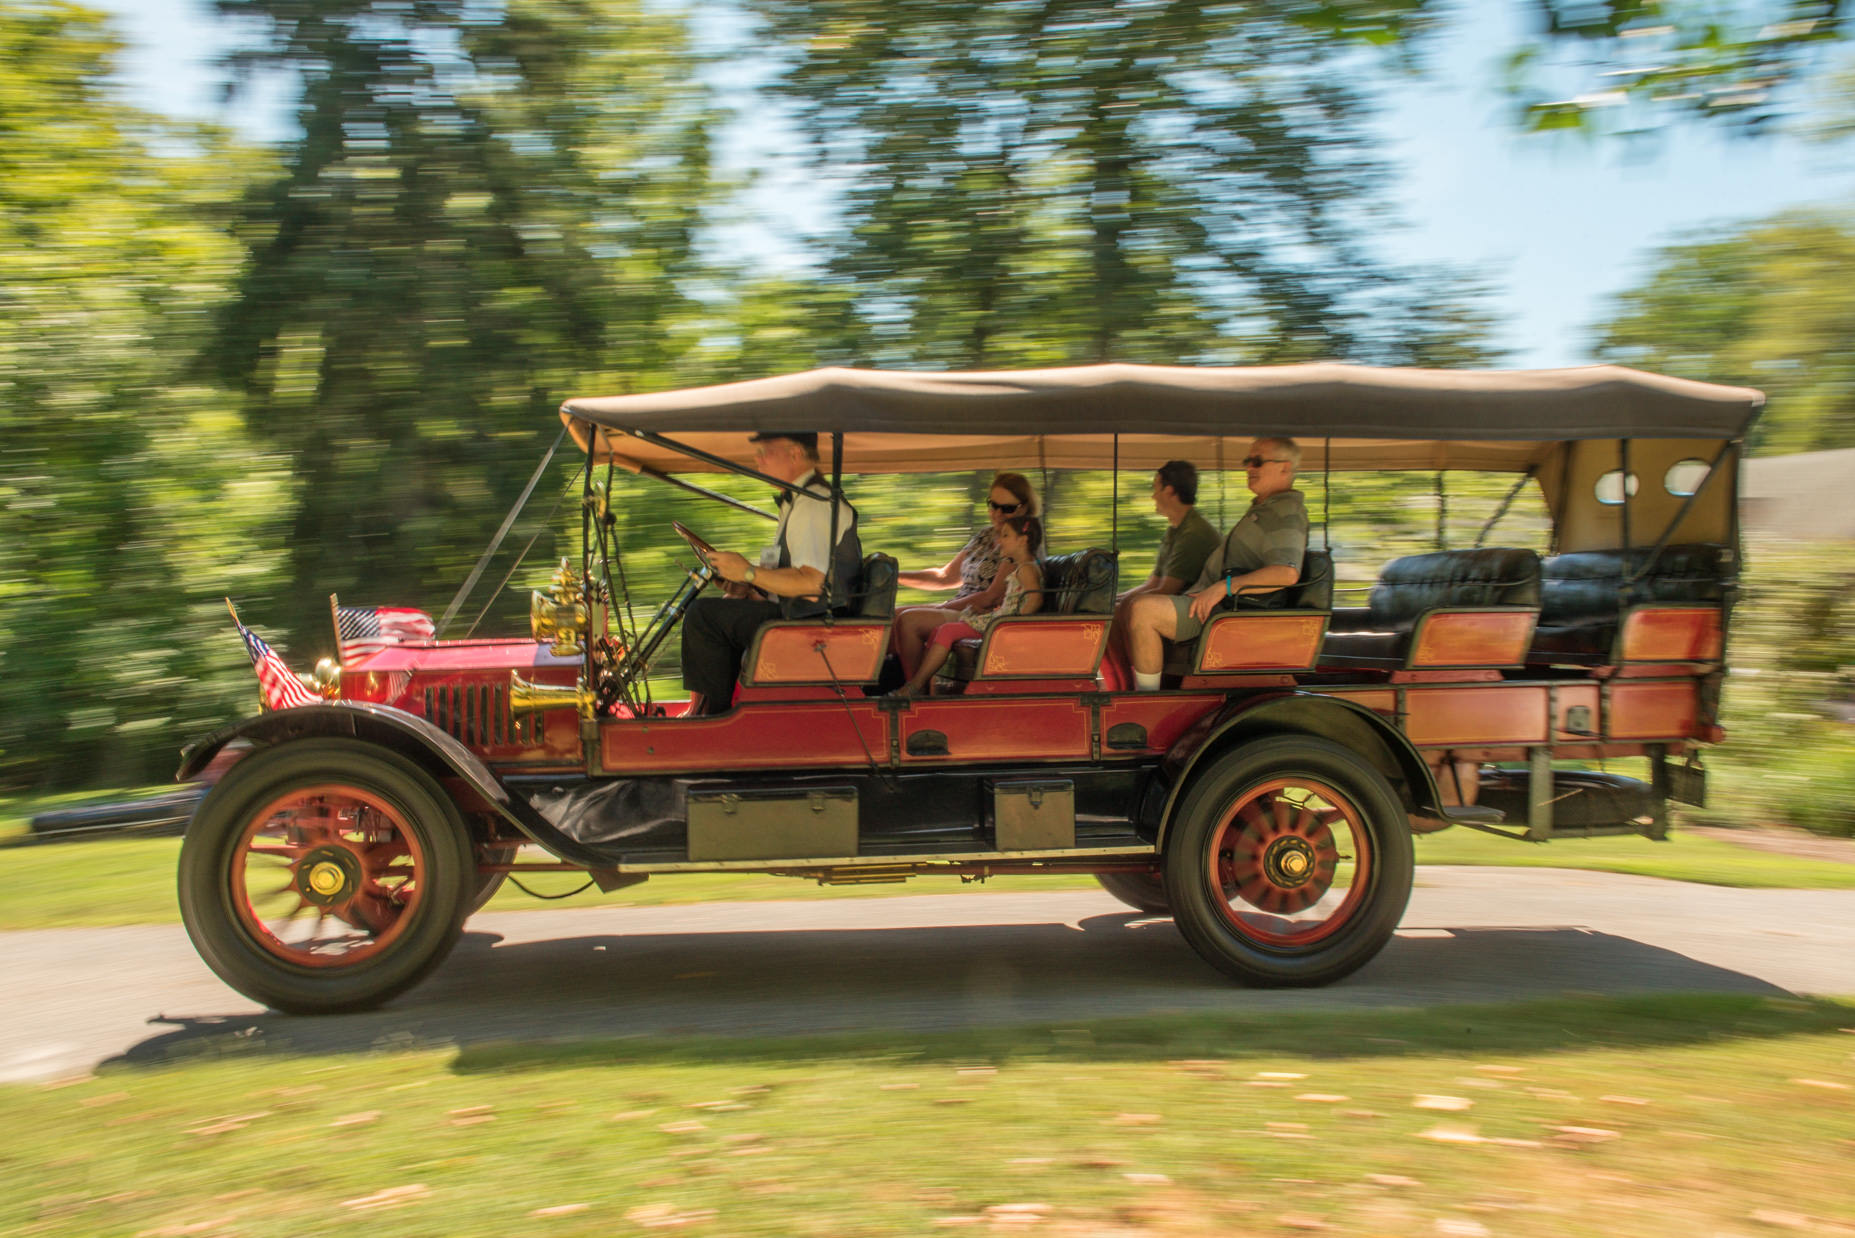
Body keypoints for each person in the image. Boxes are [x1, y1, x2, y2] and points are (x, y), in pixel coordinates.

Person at [680, 430, 859, 717]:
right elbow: (789, 574)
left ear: (795, 454)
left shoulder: (815, 505)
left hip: (812, 622)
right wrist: (746, 586)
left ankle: (713, 718)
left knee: (703, 616)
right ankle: (706, 708)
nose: (757, 458)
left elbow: (811, 582)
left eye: (765, 451)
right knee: (724, 606)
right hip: (798, 612)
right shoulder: (798, 501)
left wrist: (749, 572)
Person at [1121, 437, 1308, 691]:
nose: (1249, 468)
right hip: (1221, 604)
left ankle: (1146, 698)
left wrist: (1222, 587)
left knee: (1143, 610)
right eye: (1247, 461)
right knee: (1134, 606)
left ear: (1285, 468)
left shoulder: (1284, 513)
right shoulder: (1265, 509)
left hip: (1229, 611)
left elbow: (1286, 573)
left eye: (1257, 462)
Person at [891, 471, 1041, 680]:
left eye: (1006, 508)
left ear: (1023, 508)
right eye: (993, 505)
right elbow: (945, 576)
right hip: (959, 604)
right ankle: (884, 684)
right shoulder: (984, 536)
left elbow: (992, 597)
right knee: (891, 616)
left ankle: (916, 694)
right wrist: (894, 575)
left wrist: (944, 607)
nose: (997, 513)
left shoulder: (1019, 544)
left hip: (981, 612)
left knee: (908, 621)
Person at [1107, 460, 1221, 670]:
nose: (1153, 496)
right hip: (1178, 602)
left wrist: (1122, 604)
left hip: (1197, 609)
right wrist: (1116, 599)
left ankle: (1137, 684)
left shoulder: (1194, 533)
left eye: (1155, 488)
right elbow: (1153, 583)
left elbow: (1167, 589)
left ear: (1169, 491)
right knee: (1111, 609)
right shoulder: (1175, 531)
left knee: (1122, 611)